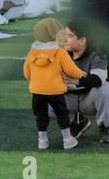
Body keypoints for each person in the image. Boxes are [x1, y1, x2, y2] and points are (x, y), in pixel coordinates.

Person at [23, 17, 85, 151]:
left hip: (37, 91)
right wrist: (81, 74)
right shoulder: (59, 51)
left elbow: (26, 71)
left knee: (41, 115)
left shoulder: (32, 52)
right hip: (55, 91)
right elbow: (70, 69)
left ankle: (42, 140)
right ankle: (67, 139)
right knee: (62, 114)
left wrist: (33, 82)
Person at [62, 21, 109, 144]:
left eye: (70, 36)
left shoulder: (96, 55)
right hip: (67, 97)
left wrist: (75, 80)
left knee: (105, 89)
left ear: (82, 40)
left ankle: (105, 128)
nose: (65, 39)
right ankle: (75, 123)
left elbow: (97, 80)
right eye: (65, 35)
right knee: (42, 94)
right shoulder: (60, 53)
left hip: (88, 100)